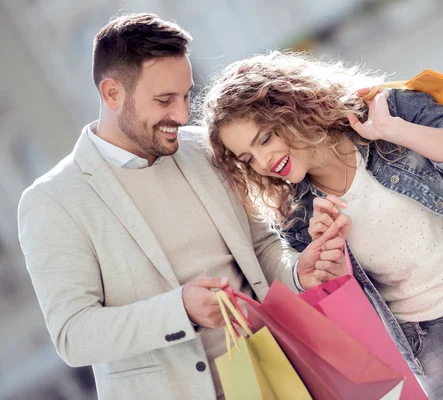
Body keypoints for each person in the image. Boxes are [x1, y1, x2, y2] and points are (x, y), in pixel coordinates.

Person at [201, 51, 443, 400]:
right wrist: (329, 262)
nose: (264, 161)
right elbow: (346, 312)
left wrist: (395, 131)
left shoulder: (389, 111)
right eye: (247, 157)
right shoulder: (300, 218)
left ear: (290, 106)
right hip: (435, 352)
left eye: (265, 137)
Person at [17, 16, 346, 400]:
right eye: (164, 100)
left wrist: (297, 274)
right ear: (111, 94)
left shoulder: (202, 148)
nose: (181, 114)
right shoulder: (53, 201)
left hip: (279, 378)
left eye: (186, 95)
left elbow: (260, 248)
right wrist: (181, 311)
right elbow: (73, 334)